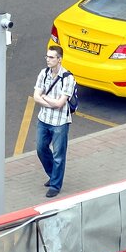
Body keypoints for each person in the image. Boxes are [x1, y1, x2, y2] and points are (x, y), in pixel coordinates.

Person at [34, 45, 76, 198]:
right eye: (47, 56)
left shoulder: (68, 78)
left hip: (60, 122)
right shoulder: (43, 73)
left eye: (51, 57)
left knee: (59, 155)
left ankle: (55, 185)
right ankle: (53, 175)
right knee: (40, 148)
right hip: (43, 119)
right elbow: (36, 96)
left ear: (59, 59)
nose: (48, 60)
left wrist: (44, 97)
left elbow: (60, 104)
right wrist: (48, 100)